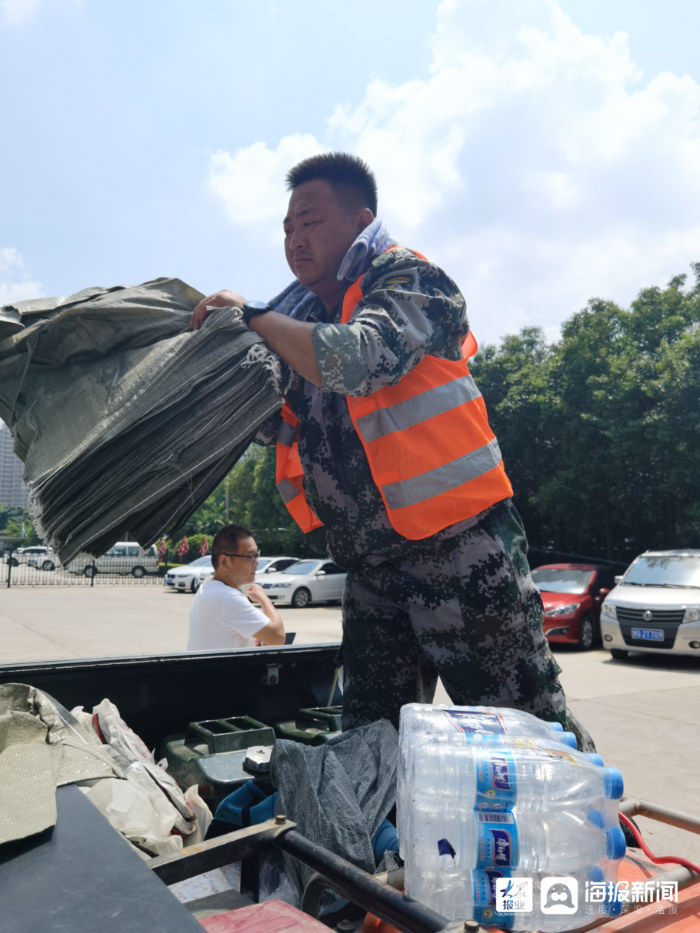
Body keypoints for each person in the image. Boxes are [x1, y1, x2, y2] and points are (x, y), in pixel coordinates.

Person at [191, 153, 586, 744]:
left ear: (361, 220)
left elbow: (358, 359)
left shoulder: (408, 279)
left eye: (312, 222)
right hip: (373, 564)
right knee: (372, 735)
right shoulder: (304, 325)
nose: (295, 240)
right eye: (287, 228)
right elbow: (285, 426)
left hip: (460, 550)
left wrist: (251, 316)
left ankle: (592, 826)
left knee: (523, 729)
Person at [188, 523, 285, 651]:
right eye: (250, 556)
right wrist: (264, 599)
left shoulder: (208, 586)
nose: (257, 562)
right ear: (224, 561)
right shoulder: (227, 597)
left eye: (257, 555)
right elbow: (278, 638)